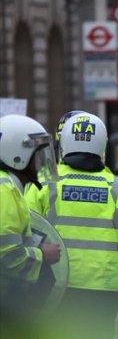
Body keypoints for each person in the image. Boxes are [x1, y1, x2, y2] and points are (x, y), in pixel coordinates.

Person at [26, 112, 118, 339]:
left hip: (57, 287)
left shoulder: (44, 184)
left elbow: (27, 229)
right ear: (102, 146)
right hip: (104, 292)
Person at [0, 115, 60, 305]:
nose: (41, 162)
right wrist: (43, 255)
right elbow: (7, 255)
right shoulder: (5, 190)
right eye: (37, 155)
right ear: (17, 156)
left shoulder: (7, 185)